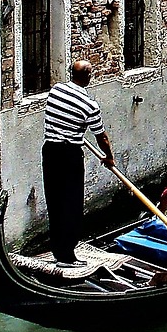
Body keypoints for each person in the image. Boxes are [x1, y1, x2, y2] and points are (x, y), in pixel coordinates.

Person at [42, 60, 115, 266]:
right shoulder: (89, 105)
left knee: (54, 201)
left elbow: (58, 117)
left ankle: (58, 251)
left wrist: (72, 130)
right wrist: (108, 157)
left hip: (50, 150)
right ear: (89, 77)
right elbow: (102, 138)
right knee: (71, 204)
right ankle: (66, 256)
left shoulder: (56, 90)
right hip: (69, 155)